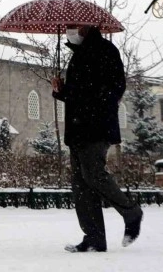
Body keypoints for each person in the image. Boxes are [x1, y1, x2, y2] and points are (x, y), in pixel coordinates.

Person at [51, 25, 143, 253]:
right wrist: (61, 91)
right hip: (78, 129)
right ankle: (94, 237)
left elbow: (113, 88)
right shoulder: (78, 55)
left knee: (94, 174)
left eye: (73, 27)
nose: (69, 32)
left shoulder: (105, 51)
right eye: (68, 27)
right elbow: (78, 94)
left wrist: (85, 98)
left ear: (87, 27)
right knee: (81, 183)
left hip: (96, 127)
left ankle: (131, 212)